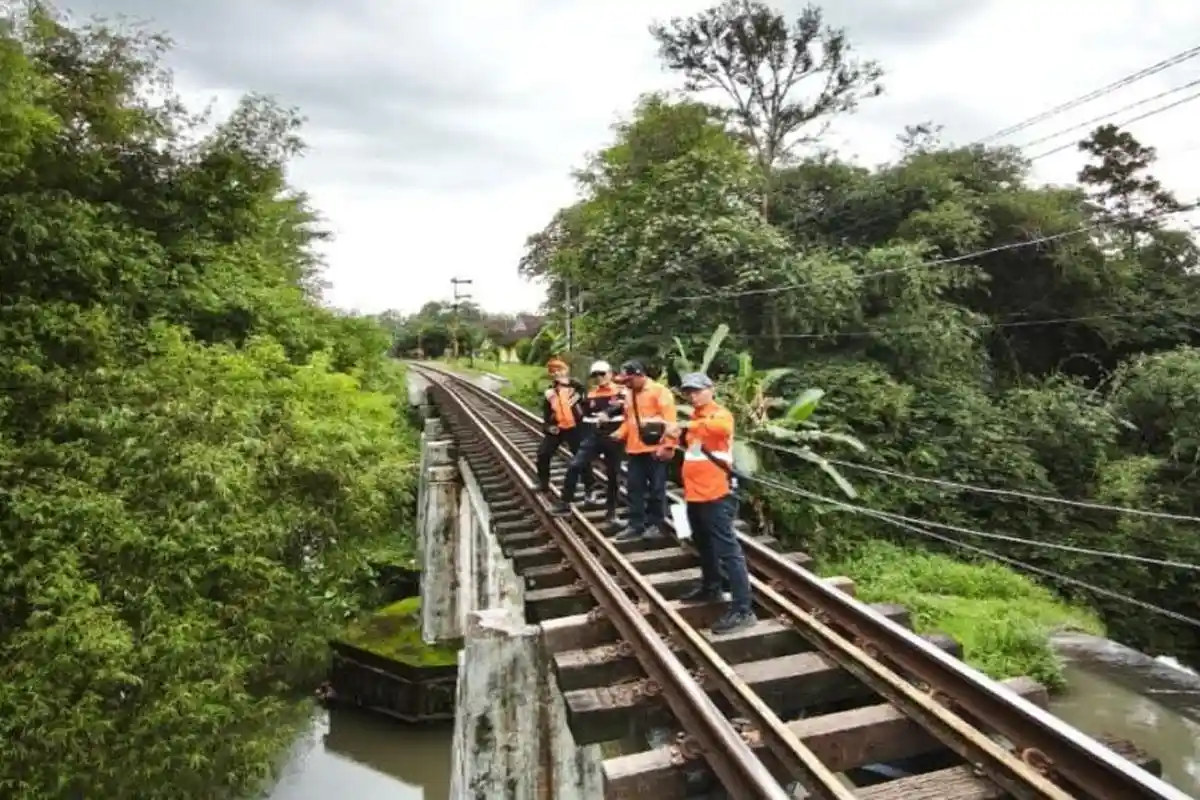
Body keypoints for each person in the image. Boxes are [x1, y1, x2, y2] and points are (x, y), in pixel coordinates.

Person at [665, 372, 754, 635]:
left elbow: (721, 429)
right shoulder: (695, 418)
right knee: (703, 544)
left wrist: (685, 427)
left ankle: (742, 609)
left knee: (729, 551)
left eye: (697, 391)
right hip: (695, 495)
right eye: (689, 392)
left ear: (710, 389)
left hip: (716, 494)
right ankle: (711, 586)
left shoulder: (719, 414)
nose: (693, 396)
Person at [610, 360, 676, 541]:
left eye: (629, 380)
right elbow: (629, 420)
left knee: (656, 489)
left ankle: (656, 524)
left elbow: (671, 422)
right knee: (634, 488)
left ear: (640, 375)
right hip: (635, 448)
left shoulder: (660, 392)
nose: (627, 384)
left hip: (655, 449)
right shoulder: (629, 394)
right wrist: (619, 433)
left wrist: (668, 445)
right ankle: (635, 524)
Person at [553, 360, 625, 527]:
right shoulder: (592, 394)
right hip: (595, 437)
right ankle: (565, 503)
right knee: (574, 465)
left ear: (610, 374)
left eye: (602, 374)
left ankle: (611, 513)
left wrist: (606, 414)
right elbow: (585, 416)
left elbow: (620, 407)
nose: (599, 378)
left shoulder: (620, 391)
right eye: (595, 375)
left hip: (615, 438)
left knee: (613, 475)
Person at [536, 358, 593, 498]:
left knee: (582, 459)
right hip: (558, 428)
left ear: (566, 370)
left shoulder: (578, 388)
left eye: (559, 370)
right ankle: (543, 484)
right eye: (553, 372)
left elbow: (588, 406)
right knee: (543, 454)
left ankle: (589, 488)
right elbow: (546, 415)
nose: (557, 374)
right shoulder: (550, 392)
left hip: (576, 428)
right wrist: (549, 427)